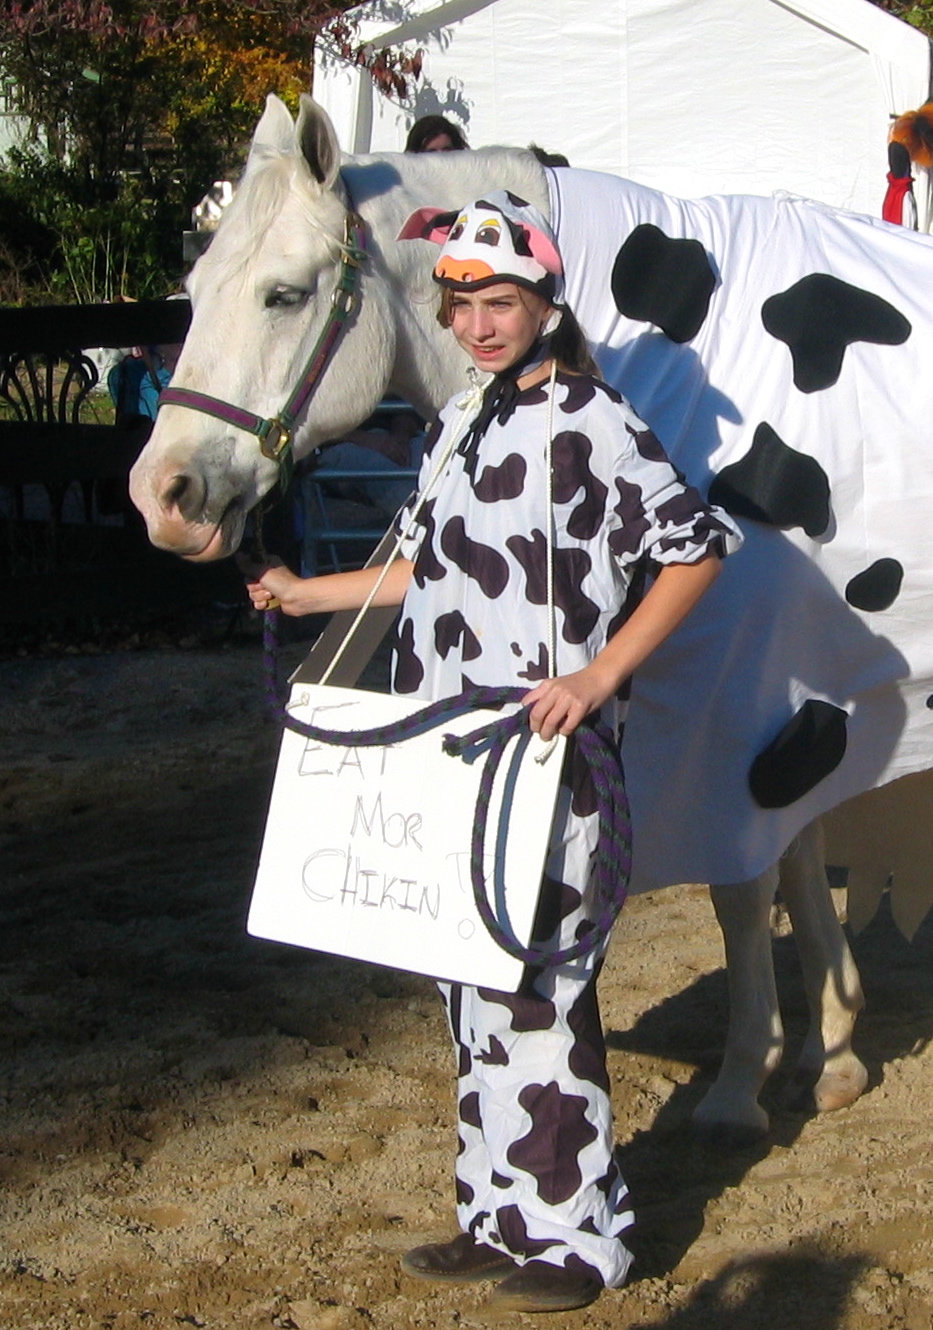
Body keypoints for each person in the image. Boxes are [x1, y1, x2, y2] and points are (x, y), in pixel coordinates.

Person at [245, 191, 740, 1314]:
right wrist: (303, 591)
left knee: (539, 987)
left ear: (543, 304)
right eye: (461, 303)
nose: (477, 323)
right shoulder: (463, 421)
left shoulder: (595, 424)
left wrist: (602, 674)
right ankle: (498, 1215)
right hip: (448, 753)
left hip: (543, 763)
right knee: (468, 984)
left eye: (499, 302)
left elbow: (694, 551)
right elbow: (426, 568)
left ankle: (580, 1238)